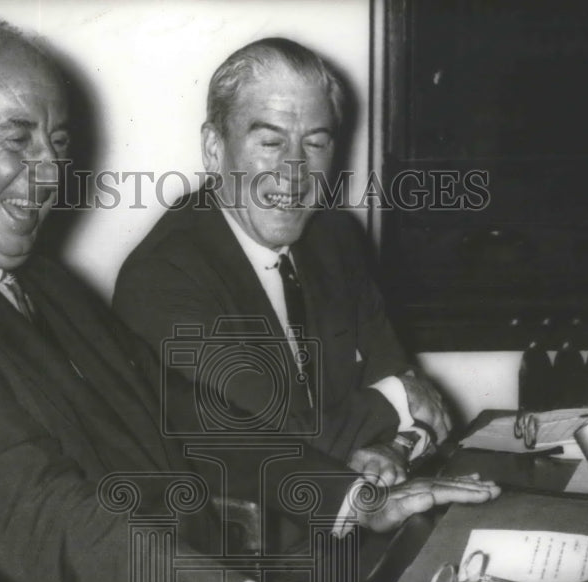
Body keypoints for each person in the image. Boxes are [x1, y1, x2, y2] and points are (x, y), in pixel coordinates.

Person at [0, 20, 499, 582]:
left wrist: (355, 501)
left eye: (58, 142)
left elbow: (185, 415)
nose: (49, 170)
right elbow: (48, 521)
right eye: (19, 136)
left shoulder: (37, 280)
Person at [114, 38, 452, 488]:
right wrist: (400, 397)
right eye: (271, 142)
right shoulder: (163, 275)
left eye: (315, 144)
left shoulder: (336, 238)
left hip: (363, 513)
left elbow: (416, 402)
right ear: (215, 149)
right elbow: (286, 443)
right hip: (241, 546)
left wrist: (393, 449)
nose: (295, 171)